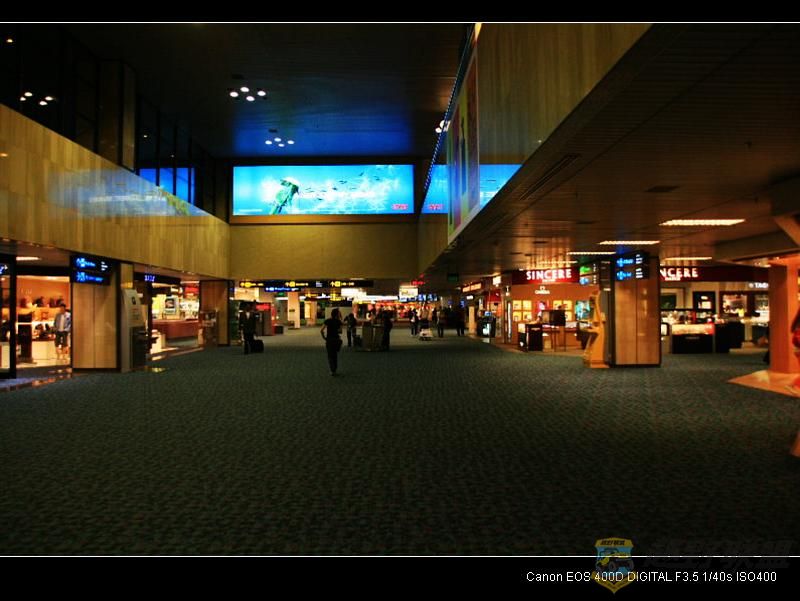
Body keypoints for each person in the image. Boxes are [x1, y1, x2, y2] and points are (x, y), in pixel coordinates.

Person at [321, 308, 343, 375]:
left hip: (329, 340)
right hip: (336, 340)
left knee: (330, 355)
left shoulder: (327, 321)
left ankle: (332, 370)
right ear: (337, 314)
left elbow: (321, 330)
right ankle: (335, 369)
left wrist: (324, 337)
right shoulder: (338, 322)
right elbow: (340, 331)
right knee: (335, 355)